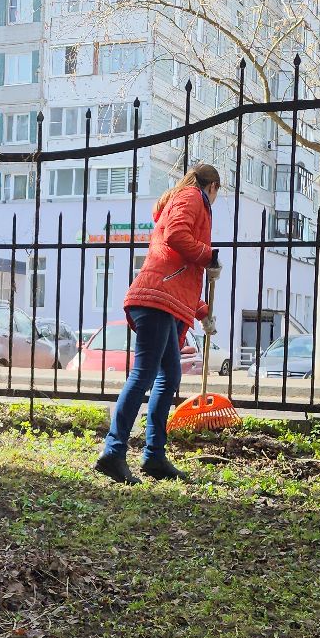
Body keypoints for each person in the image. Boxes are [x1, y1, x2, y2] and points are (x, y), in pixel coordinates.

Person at [94, 164, 221, 485]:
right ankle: (113, 451)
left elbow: (180, 273)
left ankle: (153, 456)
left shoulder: (186, 200)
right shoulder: (193, 196)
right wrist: (208, 256)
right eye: (219, 191)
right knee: (144, 375)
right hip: (156, 299)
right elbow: (178, 236)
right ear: (213, 186)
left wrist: (203, 311)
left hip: (165, 299)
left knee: (168, 376)